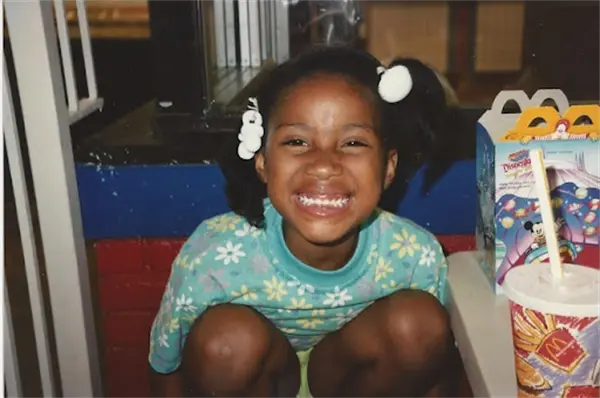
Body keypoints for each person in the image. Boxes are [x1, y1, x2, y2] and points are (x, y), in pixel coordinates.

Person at [149, 45, 460, 398]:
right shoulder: (213, 256)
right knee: (227, 342)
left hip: (353, 381)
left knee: (419, 323)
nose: (324, 164)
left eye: (353, 142)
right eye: (297, 141)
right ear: (263, 161)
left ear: (388, 166)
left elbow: (437, 375)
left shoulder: (417, 256)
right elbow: (165, 365)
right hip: (259, 379)